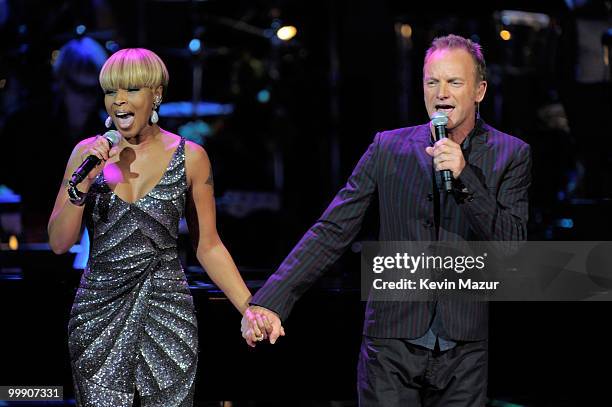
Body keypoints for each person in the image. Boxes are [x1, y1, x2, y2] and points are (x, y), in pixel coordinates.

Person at [242, 34, 531, 406]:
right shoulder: (388, 147)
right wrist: (272, 299)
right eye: (432, 81)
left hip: (465, 348)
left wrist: (466, 178)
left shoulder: (511, 153)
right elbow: (333, 228)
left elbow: (513, 248)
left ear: (479, 90)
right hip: (391, 345)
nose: (441, 92)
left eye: (454, 82)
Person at [48, 48, 255, 406]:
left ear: (156, 94)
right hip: (99, 315)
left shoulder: (191, 156)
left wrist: (249, 307)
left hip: (167, 315)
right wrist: (82, 184)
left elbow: (209, 245)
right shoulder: (86, 153)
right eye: (111, 91)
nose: (119, 101)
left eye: (131, 90)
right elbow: (59, 243)